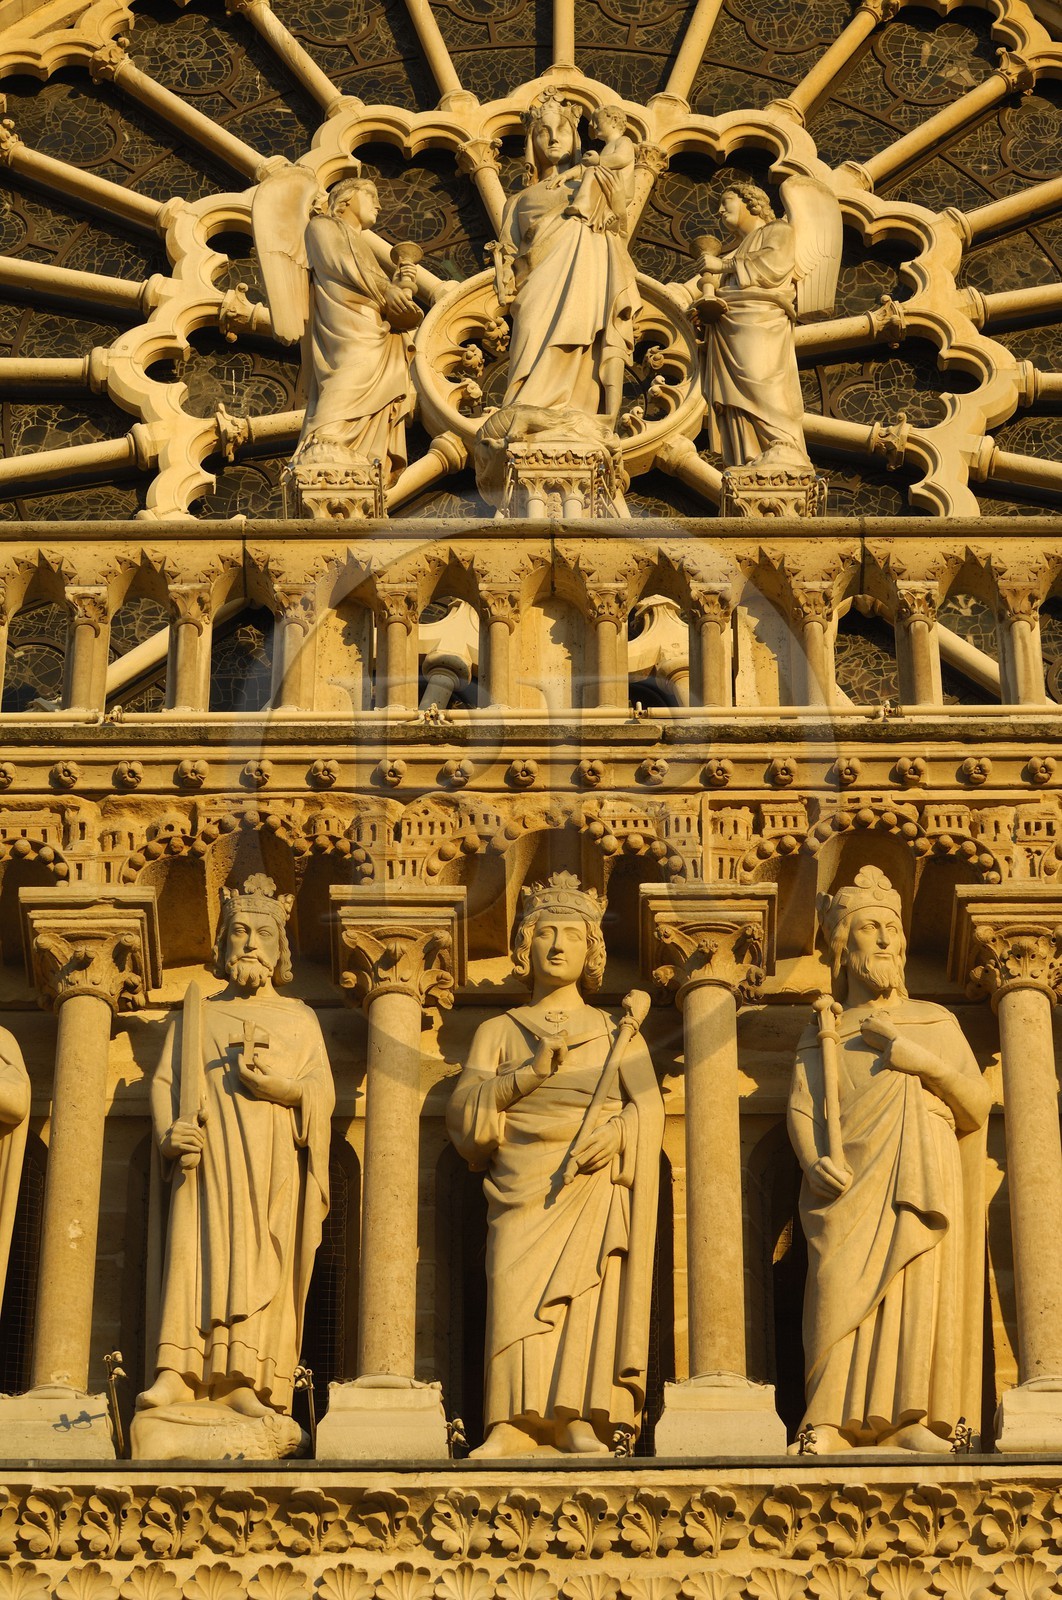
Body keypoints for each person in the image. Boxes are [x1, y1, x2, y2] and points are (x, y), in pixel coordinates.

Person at [446, 872, 663, 1457]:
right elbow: (465, 1119)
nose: (558, 944)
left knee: (584, 1293)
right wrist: (531, 1074)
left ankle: (576, 1418)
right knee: (513, 1290)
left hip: (588, 1184)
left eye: (572, 933)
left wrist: (619, 1136)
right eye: (545, 933)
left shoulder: (617, 1033)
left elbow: (650, 1110)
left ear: (592, 948)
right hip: (522, 1183)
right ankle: (509, 1423)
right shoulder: (498, 1031)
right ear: (525, 944)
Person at [788, 866, 991, 1452]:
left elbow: (976, 1104)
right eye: (870, 927)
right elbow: (804, 1107)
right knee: (833, 1288)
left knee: (915, 1285)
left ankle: (912, 1420)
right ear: (841, 945)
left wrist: (912, 1056)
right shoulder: (823, 1032)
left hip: (921, 1169)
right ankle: (826, 1419)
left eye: (891, 929)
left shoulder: (935, 1020)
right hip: (847, 1184)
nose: (884, 940)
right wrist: (809, 1159)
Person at [138, 875, 334, 1439]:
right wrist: (169, 1132)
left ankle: (245, 1378)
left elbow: (321, 1091)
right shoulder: (195, 1014)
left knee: (259, 1256)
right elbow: (164, 1081)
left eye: (264, 934)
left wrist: (286, 1091)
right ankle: (177, 1370)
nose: (251, 943)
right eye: (240, 932)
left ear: (280, 951)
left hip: (271, 1161)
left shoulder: (300, 1019)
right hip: (207, 1160)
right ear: (223, 946)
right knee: (192, 1253)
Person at [491, 94, 641, 427]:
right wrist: (503, 273)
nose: (554, 138)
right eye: (544, 132)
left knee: (580, 333)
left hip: (585, 271)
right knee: (529, 329)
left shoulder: (595, 175)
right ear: (532, 142)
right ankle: (528, 400)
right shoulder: (517, 201)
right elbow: (510, 253)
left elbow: (620, 209)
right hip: (536, 283)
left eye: (562, 130)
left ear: (576, 137)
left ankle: (574, 407)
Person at [297, 177, 421, 476]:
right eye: (371, 195)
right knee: (353, 368)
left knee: (370, 373)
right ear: (347, 198)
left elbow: (366, 277)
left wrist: (399, 287)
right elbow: (342, 265)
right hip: (346, 317)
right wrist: (387, 290)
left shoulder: (358, 240)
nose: (378, 204)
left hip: (371, 320)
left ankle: (356, 446)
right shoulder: (322, 226)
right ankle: (327, 437)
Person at [698, 181, 809, 468]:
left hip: (761, 319)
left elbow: (773, 265)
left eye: (727, 200)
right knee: (739, 398)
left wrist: (722, 266)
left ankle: (781, 443)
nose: (720, 210)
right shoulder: (740, 249)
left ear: (751, 202)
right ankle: (746, 454)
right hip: (731, 324)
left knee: (763, 382)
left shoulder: (779, 231)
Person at [565, 105, 637, 236]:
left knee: (592, 172)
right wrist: (566, 175)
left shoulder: (624, 141)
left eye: (597, 120)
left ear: (614, 120)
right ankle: (605, 213)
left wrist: (598, 161)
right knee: (578, 188)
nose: (592, 124)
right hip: (605, 185)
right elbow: (585, 167)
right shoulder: (606, 148)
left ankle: (582, 206)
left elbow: (622, 158)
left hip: (617, 187)